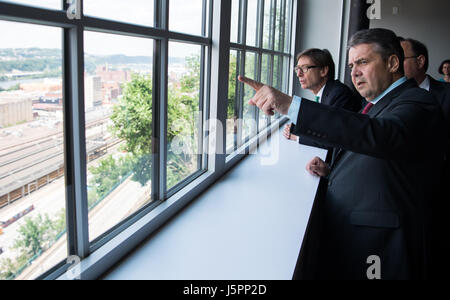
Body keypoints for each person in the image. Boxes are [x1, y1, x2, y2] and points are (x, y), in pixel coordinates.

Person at [238, 28, 446, 279]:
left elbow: (379, 135)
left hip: (382, 245)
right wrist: (332, 170)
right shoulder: (380, 104)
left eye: (363, 62)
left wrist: (290, 105)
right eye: (351, 65)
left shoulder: (418, 102)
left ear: (392, 63)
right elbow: (377, 152)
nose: (354, 72)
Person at [400, 37, 450, 279]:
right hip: (403, 198)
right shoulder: (392, 98)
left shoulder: (447, 95)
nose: (395, 65)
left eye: (401, 59)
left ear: (420, 61)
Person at [283, 48, 361, 143]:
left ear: (323, 71)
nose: (299, 74)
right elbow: (322, 123)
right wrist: (297, 128)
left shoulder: (339, 94)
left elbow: (333, 136)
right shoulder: (327, 92)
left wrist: (298, 137)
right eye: (297, 69)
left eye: (304, 68)